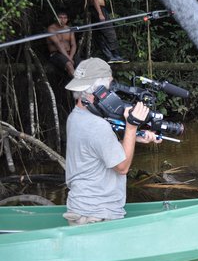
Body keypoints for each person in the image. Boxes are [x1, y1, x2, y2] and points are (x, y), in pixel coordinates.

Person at [63, 57, 160, 225]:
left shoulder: (76, 116)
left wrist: (134, 137)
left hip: (80, 209)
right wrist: (131, 127)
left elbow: (99, 148)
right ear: (98, 90)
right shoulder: (97, 126)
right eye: (108, 89)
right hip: (96, 215)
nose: (111, 94)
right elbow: (122, 167)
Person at [87, 0, 129, 64]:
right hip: (98, 9)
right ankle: (114, 55)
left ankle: (110, 56)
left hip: (97, 9)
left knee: (101, 34)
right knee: (109, 33)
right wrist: (100, 13)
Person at [46, 11, 81, 77]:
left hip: (70, 53)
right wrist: (69, 59)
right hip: (56, 54)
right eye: (60, 18)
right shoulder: (51, 29)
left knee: (82, 64)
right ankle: (76, 85)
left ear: (67, 19)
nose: (63, 20)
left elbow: (73, 45)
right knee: (69, 65)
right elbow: (58, 45)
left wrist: (70, 56)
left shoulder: (69, 29)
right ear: (56, 18)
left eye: (65, 18)